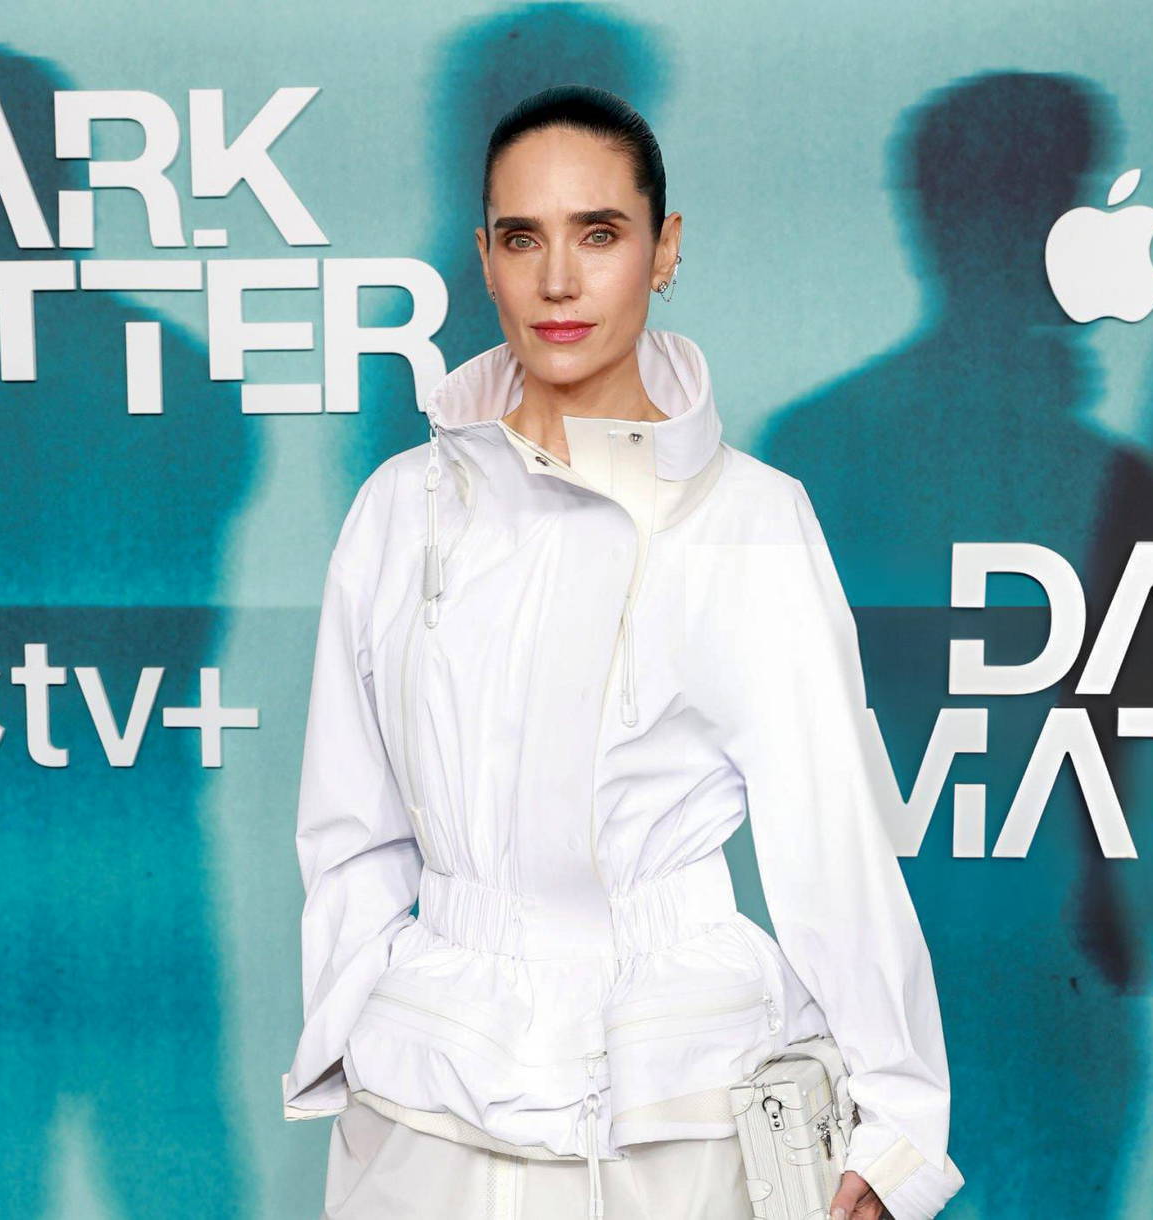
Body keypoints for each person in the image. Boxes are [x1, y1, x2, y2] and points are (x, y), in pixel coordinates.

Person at [282, 84, 964, 1220]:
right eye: (523, 238)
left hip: (675, 1105)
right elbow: (349, 824)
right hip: (426, 1096)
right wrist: (359, 1021)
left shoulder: (750, 516)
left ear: (665, 247)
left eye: (598, 233)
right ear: (485, 260)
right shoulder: (400, 507)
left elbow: (833, 830)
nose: (559, 280)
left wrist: (898, 1118)